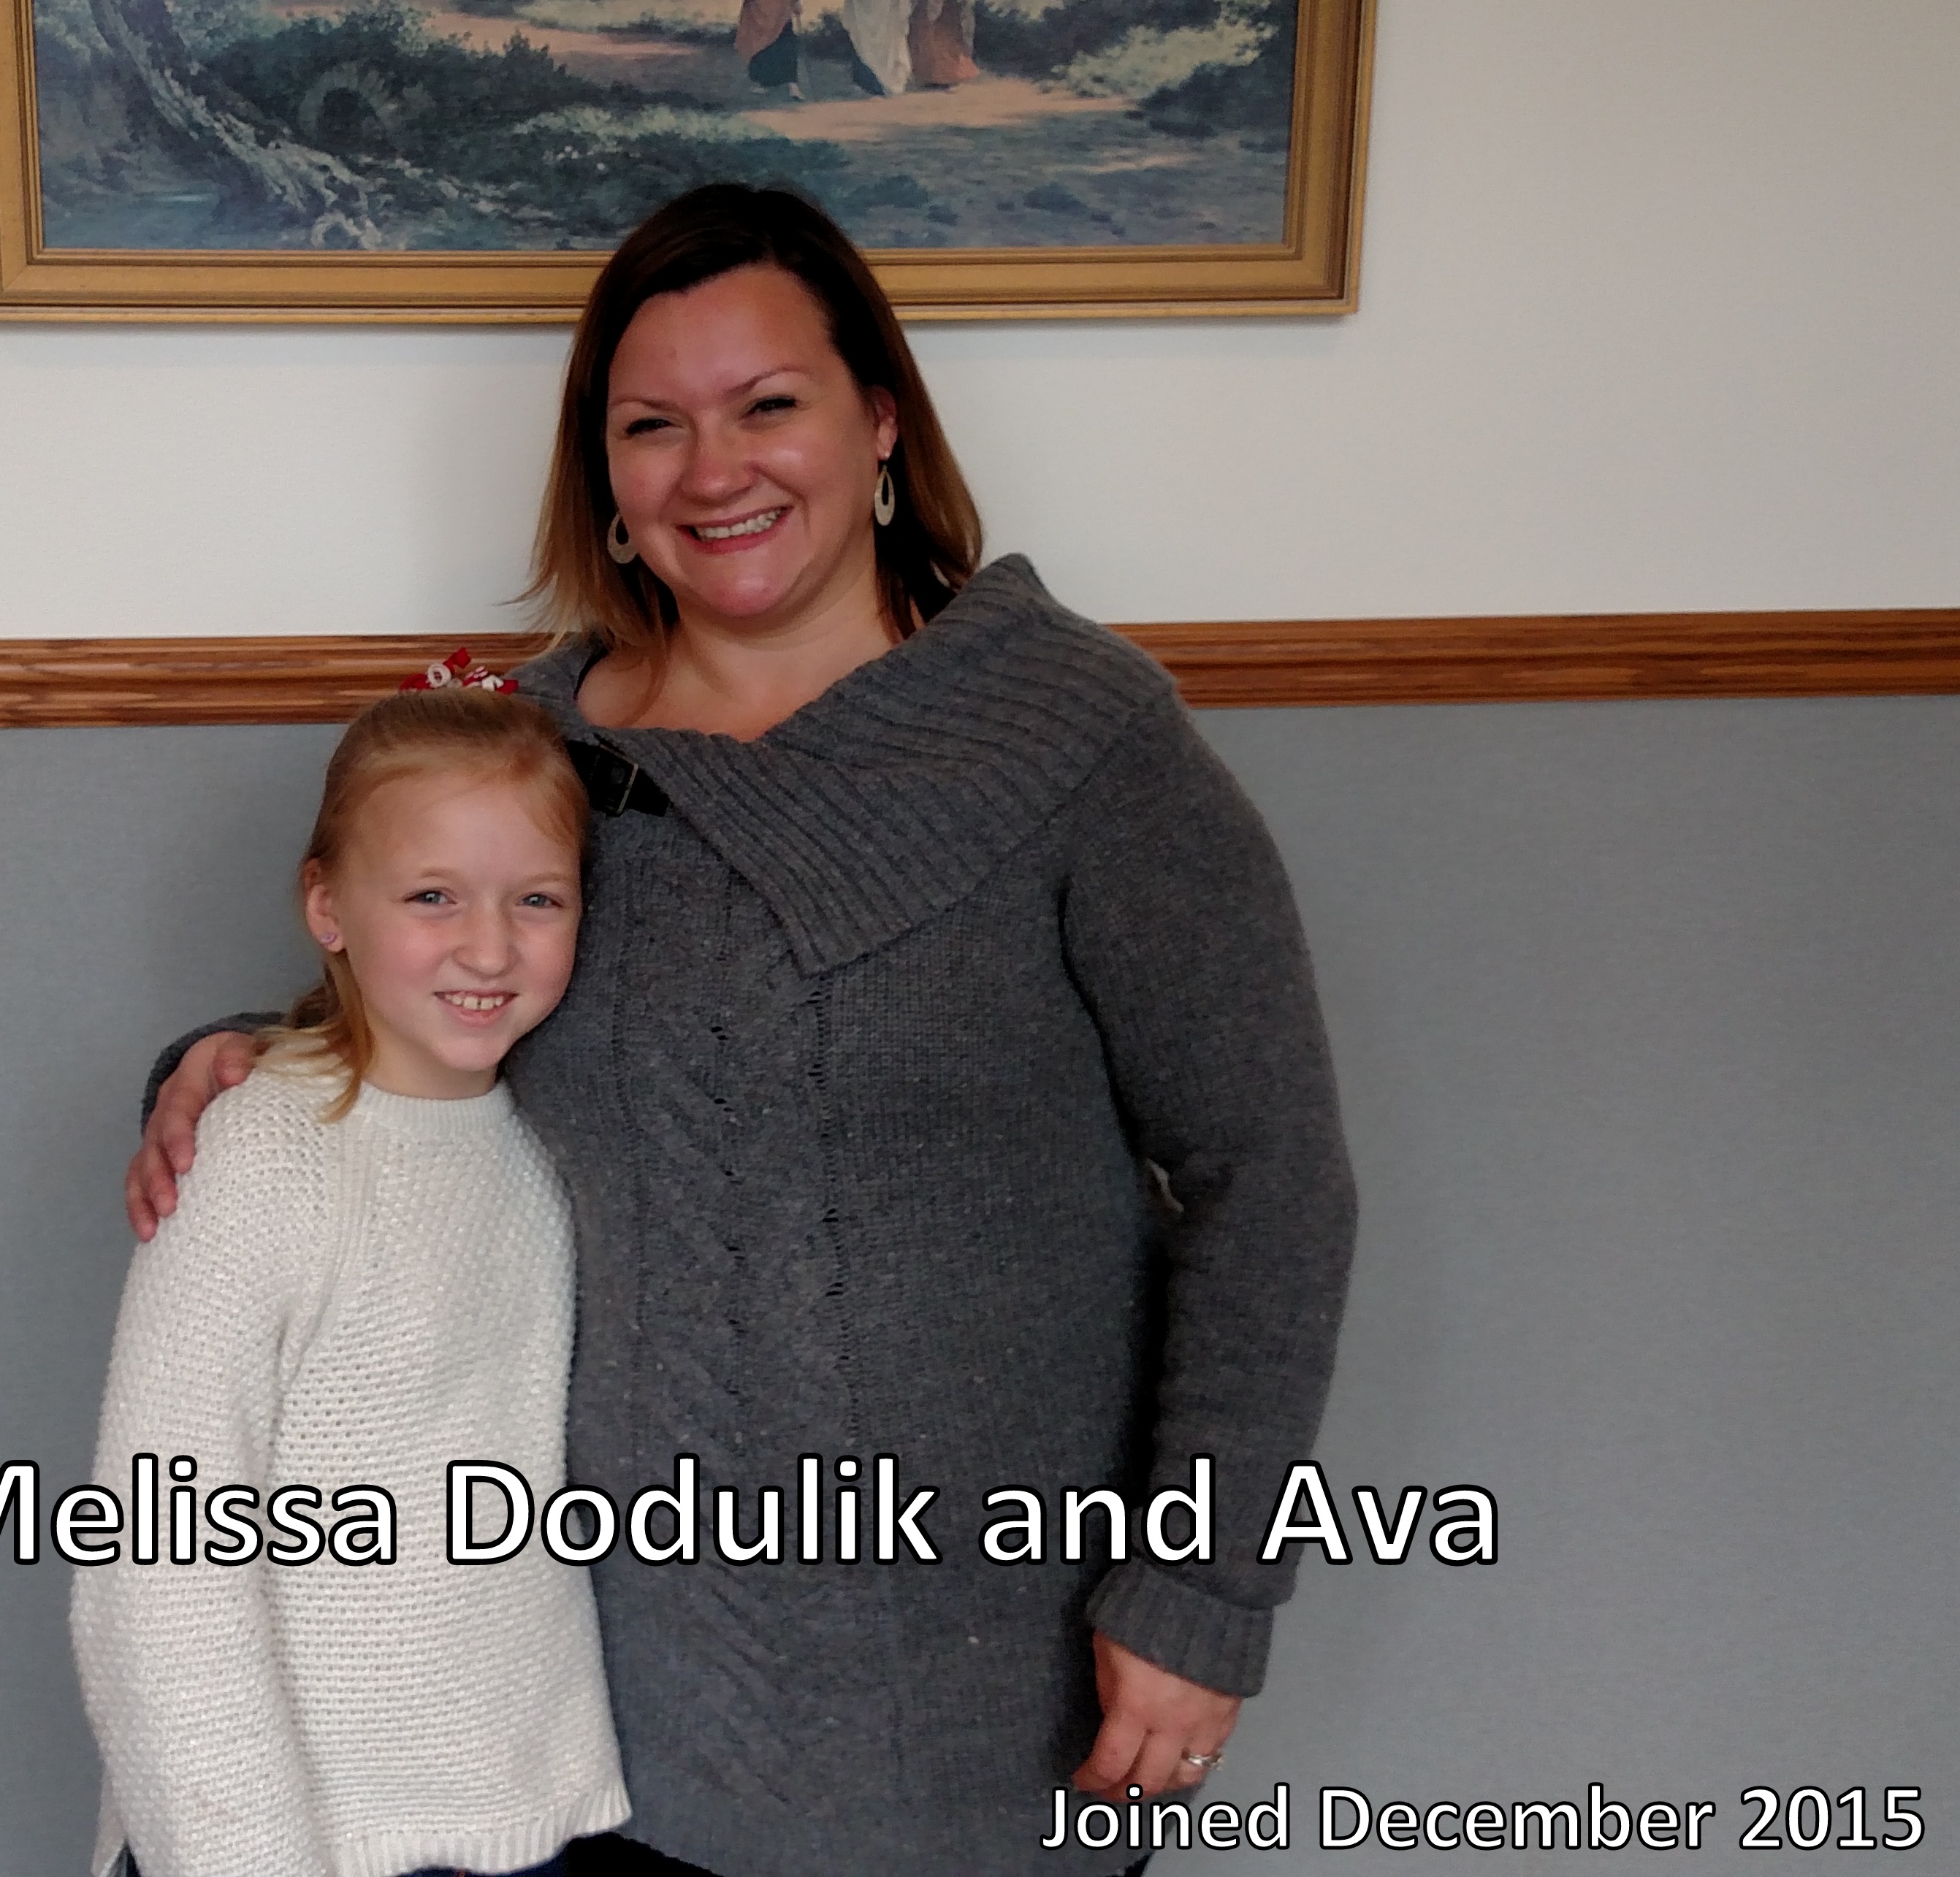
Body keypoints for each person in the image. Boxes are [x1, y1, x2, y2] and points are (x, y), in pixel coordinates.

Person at [128, 185, 1357, 1877]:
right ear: (606, 474)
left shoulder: (1080, 739)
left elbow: (1268, 1181)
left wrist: (1205, 1586)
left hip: (998, 1686)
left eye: (768, 403)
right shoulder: (534, 754)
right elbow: (434, 1017)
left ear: (879, 420)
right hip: (602, 1710)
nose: (715, 471)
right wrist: (231, 1066)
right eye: (654, 425)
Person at [76, 684, 630, 1877]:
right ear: (327, 905)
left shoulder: (555, 1147)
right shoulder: (262, 1152)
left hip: (527, 1818)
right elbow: (156, 1553)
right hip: (296, 1840)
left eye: (537, 898)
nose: (489, 946)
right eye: (432, 895)